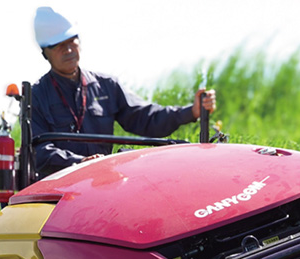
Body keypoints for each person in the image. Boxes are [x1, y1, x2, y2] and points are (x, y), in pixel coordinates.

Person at [31, 6, 217, 178]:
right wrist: (78, 163)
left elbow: (145, 119)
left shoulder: (106, 85)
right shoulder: (36, 96)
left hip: (101, 183)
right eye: (59, 45)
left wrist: (191, 112)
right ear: (44, 53)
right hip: (58, 190)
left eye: (72, 41)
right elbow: (38, 152)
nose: (69, 49)